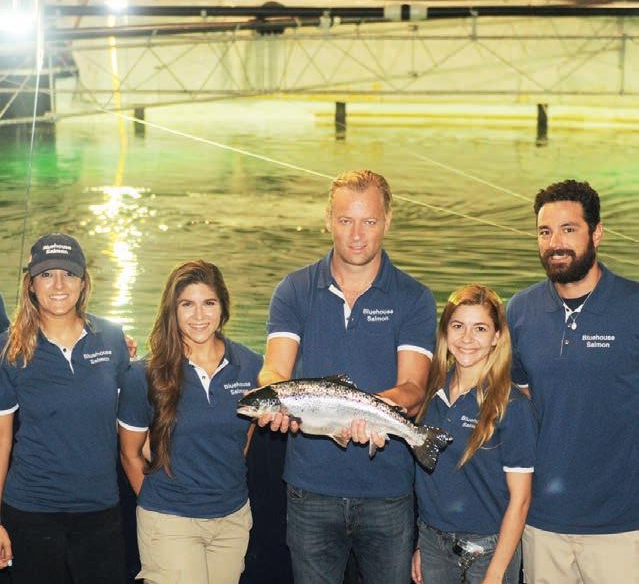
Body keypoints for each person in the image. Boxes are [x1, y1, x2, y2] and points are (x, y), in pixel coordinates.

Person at [258, 169, 437, 584]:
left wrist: (373, 414)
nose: (357, 235)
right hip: (310, 491)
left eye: (369, 221)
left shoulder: (413, 298)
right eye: (345, 220)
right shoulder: (294, 290)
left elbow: (413, 388)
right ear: (328, 220)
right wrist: (273, 400)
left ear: (387, 221)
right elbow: (275, 370)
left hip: (387, 492)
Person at [506, 179, 639, 584]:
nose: (555, 243)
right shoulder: (520, 310)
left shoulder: (633, 306)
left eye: (568, 229)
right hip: (542, 521)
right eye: (545, 232)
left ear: (596, 233)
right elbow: (522, 401)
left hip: (623, 525)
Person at [118, 260, 261, 584]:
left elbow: (242, 441)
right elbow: (130, 454)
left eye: (209, 303)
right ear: (173, 310)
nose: (199, 316)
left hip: (232, 518)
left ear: (223, 307)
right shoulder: (144, 374)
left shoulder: (251, 365)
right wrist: (157, 504)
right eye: (187, 304)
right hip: (170, 520)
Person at [0, 232, 130, 584]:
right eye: (46, 274)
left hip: (100, 508)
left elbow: (132, 420)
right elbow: (1, 440)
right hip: (31, 511)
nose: (58, 285)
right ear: (31, 285)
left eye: (69, 274)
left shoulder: (112, 337)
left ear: (83, 282)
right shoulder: (9, 349)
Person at [412, 284, 537, 584]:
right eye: (458, 326)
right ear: (445, 332)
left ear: (496, 337)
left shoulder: (511, 406)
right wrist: (421, 544)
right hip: (432, 543)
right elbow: (430, 480)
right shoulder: (429, 394)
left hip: (489, 551)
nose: (467, 338)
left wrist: (496, 572)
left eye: (480, 328)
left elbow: (520, 499)